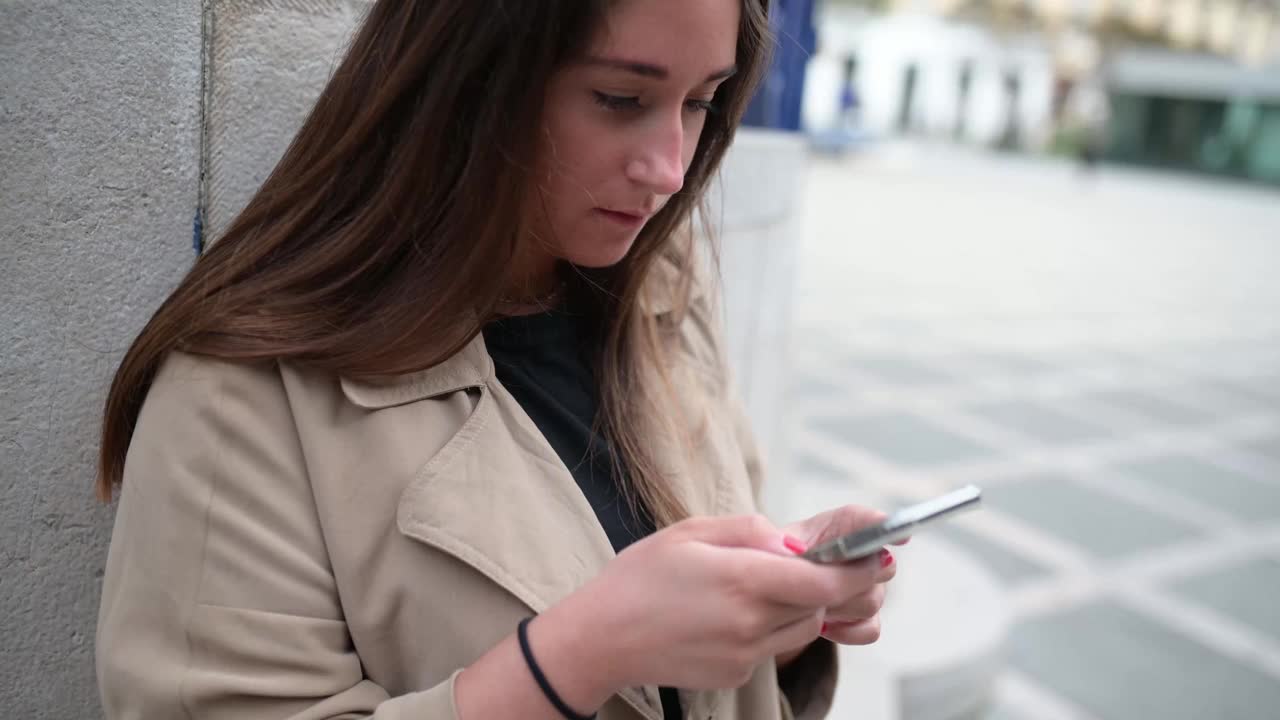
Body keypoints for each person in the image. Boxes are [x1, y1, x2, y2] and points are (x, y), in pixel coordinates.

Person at [93, 1, 902, 718]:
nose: (669, 168)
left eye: (699, 102)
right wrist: (582, 654)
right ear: (471, 77)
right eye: (621, 99)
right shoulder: (241, 398)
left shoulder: (663, 290)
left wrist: (784, 616)